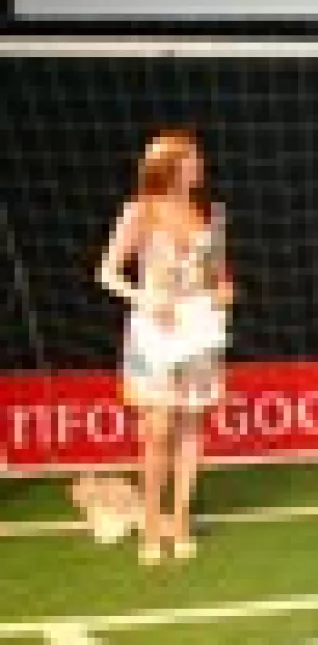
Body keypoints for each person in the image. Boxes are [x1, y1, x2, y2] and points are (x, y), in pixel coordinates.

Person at [97, 129, 232, 566]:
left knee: (191, 425)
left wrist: (224, 289)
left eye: (197, 159)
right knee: (157, 429)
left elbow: (217, 275)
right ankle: (152, 525)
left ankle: (181, 520)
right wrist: (146, 299)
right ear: (169, 165)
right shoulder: (139, 210)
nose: (199, 165)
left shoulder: (205, 213)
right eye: (192, 159)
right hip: (155, 329)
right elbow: (107, 273)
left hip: (200, 328)